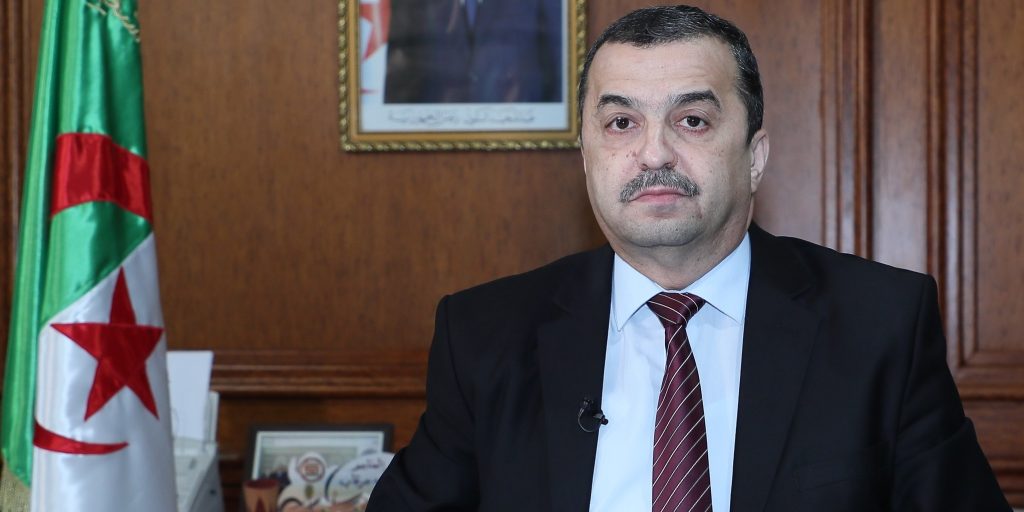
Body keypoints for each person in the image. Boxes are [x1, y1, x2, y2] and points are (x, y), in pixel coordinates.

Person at [367, 5, 1011, 511]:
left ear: (754, 156)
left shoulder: (882, 325)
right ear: (586, 159)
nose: (653, 154)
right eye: (621, 124)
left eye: (692, 120)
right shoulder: (484, 335)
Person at [384, 0, 562, 103]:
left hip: (517, 133)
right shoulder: (411, 4)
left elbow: (554, 65)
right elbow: (400, 70)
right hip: (431, 135)